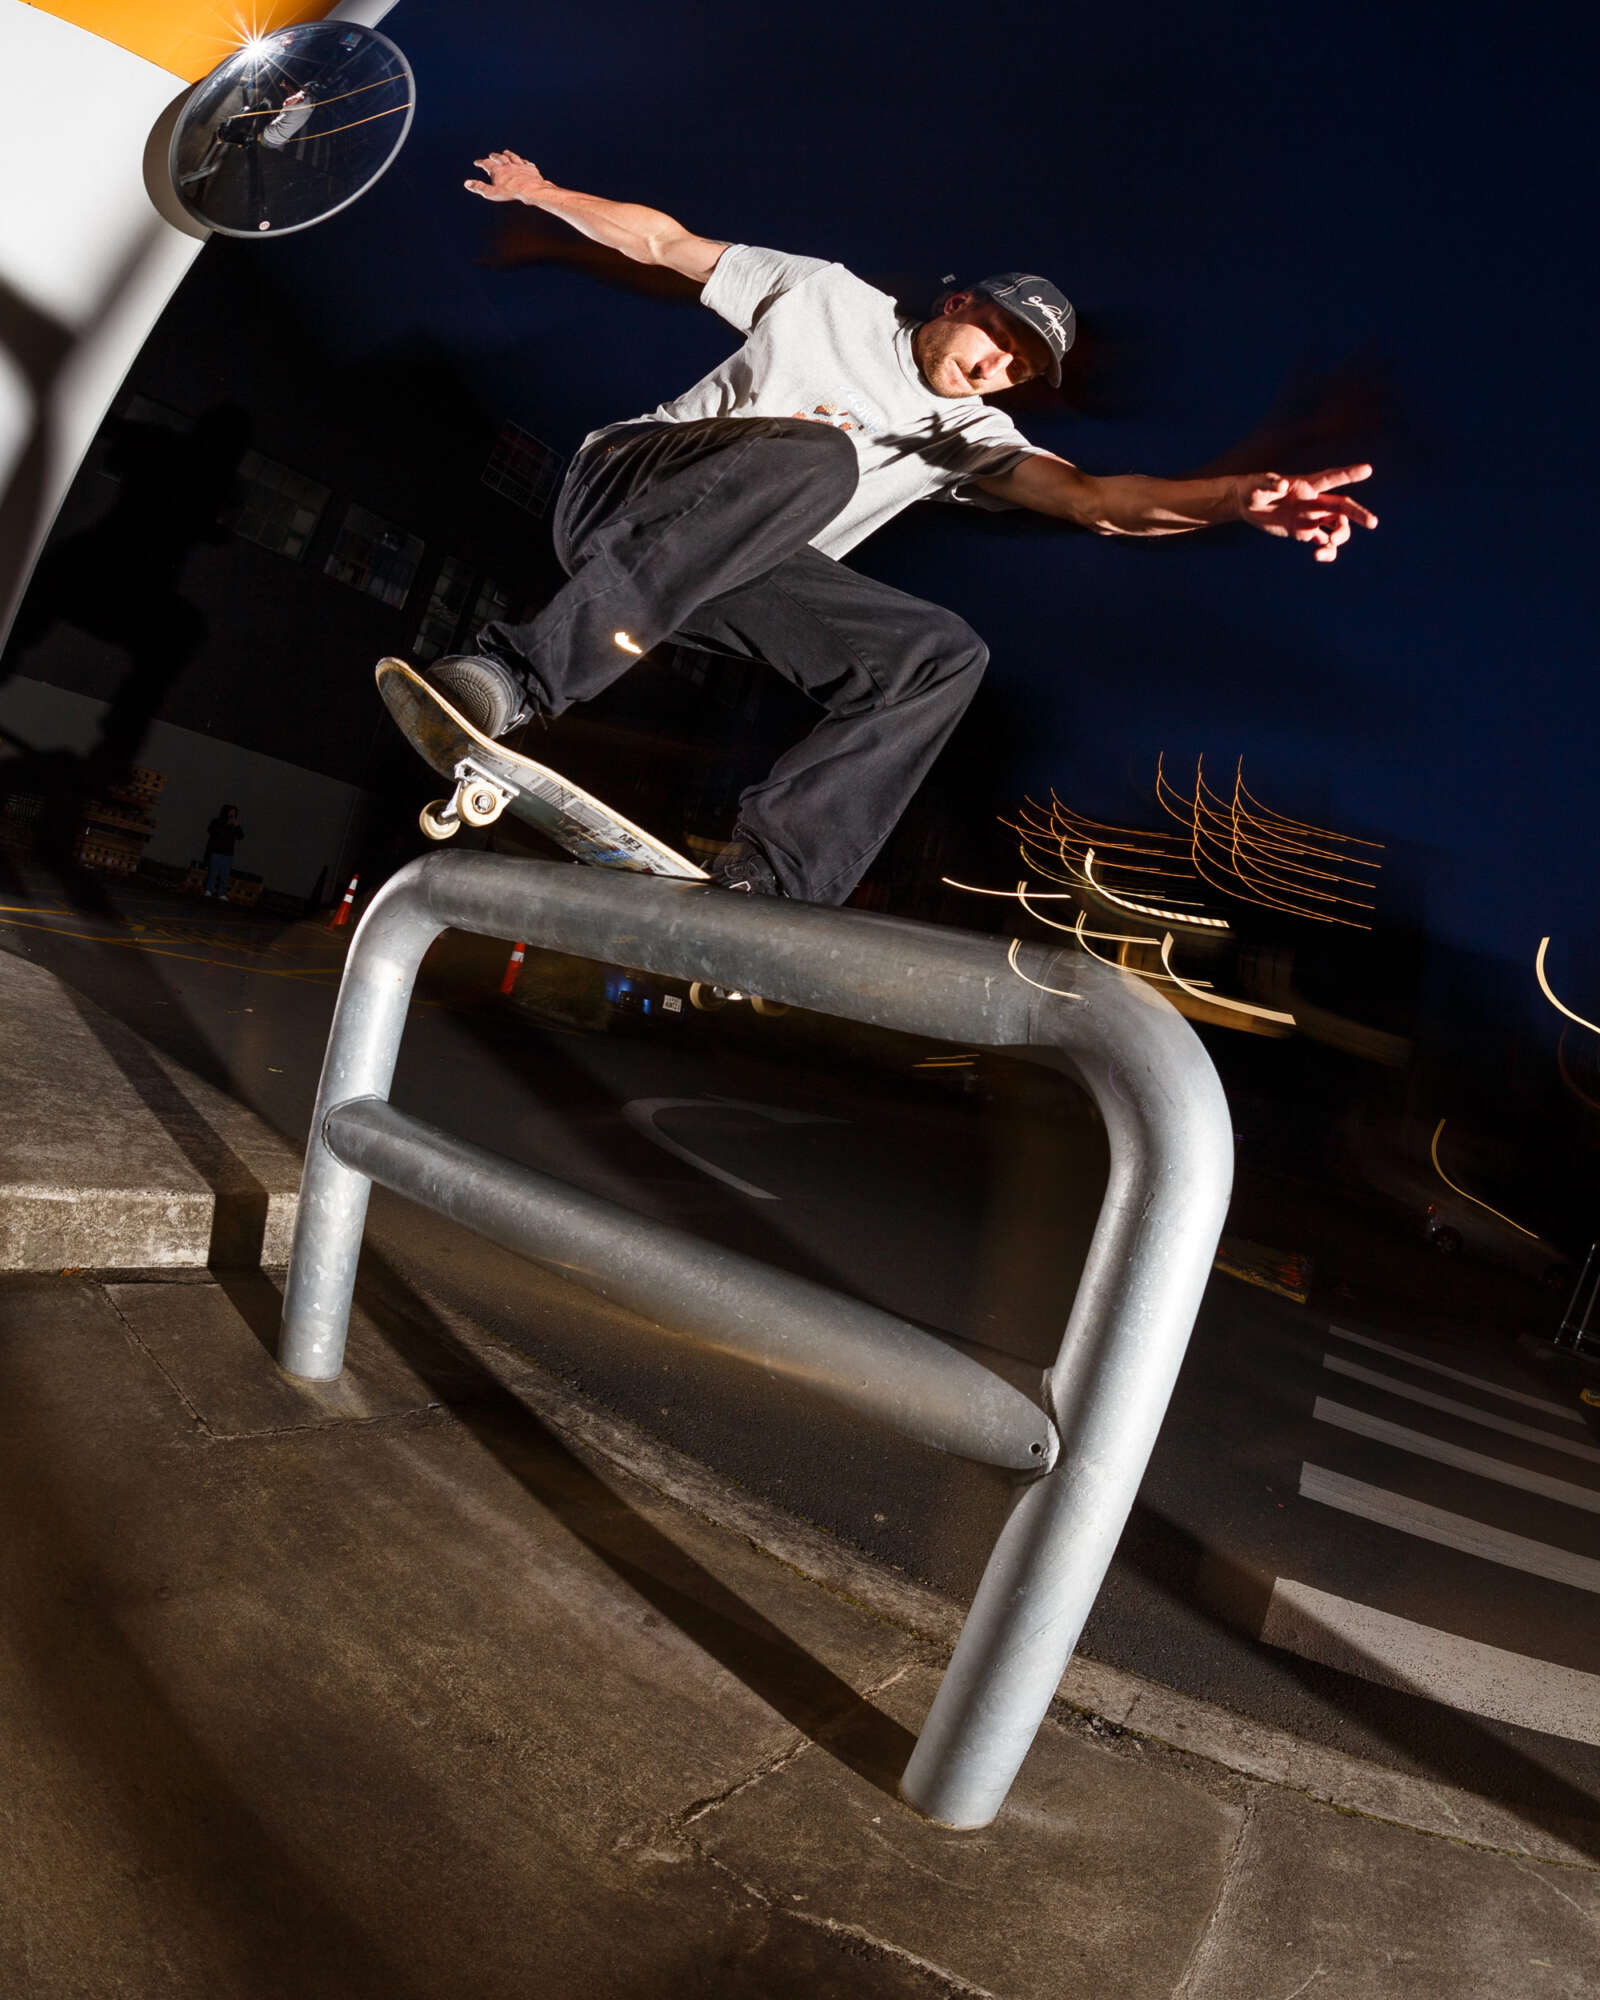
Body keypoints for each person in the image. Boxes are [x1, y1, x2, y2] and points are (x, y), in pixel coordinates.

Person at [426, 151, 1378, 905]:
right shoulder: (828, 296)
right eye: (996, 337)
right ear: (957, 304)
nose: (997, 367)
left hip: (717, 568)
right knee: (821, 456)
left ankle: (775, 881)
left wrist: (1228, 500)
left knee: (941, 654)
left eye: (1019, 368)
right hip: (630, 488)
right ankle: (516, 675)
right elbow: (665, 244)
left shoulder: (973, 435)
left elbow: (1095, 501)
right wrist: (545, 194)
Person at [202, 804, 244, 898]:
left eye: (234, 812)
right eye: (231, 812)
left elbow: (241, 836)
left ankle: (221, 893)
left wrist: (237, 826)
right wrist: (226, 824)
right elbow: (211, 831)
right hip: (216, 852)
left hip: (228, 854)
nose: (233, 814)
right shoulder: (217, 821)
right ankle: (209, 890)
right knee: (213, 872)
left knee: (225, 875)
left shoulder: (234, 825)